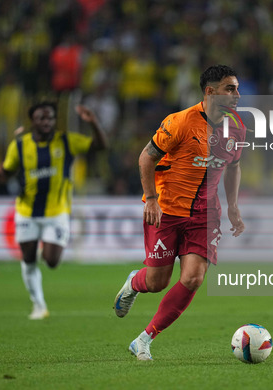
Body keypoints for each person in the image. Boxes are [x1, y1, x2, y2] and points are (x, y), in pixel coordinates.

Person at [113, 64, 246, 360]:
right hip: (168, 211)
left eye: (237, 88)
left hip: (205, 215)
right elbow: (146, 158)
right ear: (210, 92)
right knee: (156, 282)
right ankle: (136, 281)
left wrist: (234, 205)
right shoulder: (181, 122)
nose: (237, 94)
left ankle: (144, 339)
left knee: (193, 279)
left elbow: (234, 166)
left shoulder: (237, 126)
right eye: (230, 88)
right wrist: (150, 199)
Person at [0, 101, 107, 319]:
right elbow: (6, 172)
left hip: (57, 212)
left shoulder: (66, 141)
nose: (47, 122)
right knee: (28, 258)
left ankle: (41, 259)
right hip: (26, 210)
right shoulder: (19, 145)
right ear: (32, 121)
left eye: (50, 118)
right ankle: (39, 305)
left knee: (52, 261)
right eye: (42, 118)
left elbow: (100, 147)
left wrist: (93, 123)